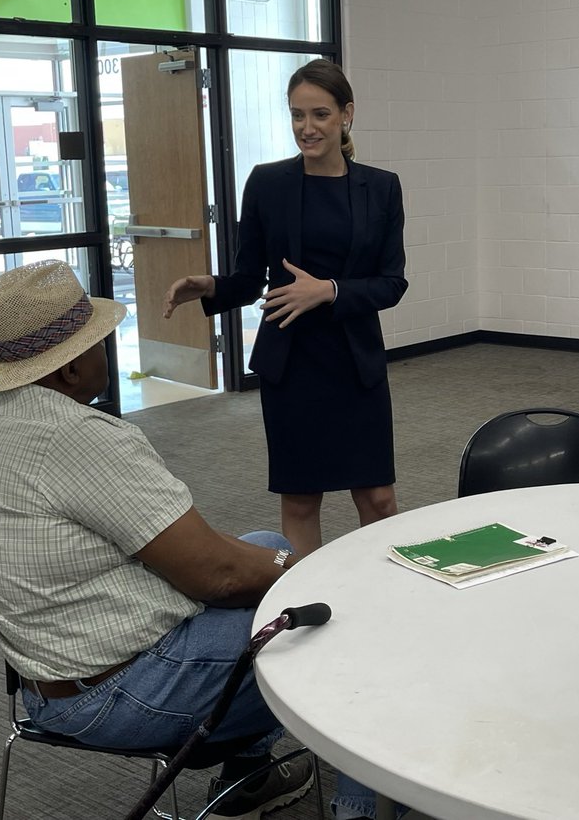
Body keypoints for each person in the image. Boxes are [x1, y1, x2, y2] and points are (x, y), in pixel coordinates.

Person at [0, 260, 314, 818]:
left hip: (46, 679)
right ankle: (370, 801)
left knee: (266, 543)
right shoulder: (78, 438)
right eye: (98, 341)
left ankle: (247, 779)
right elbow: (218, 576)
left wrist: (278, 559)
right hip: (118, 693)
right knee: (323, 623)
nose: (109, 350)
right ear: (70, 371)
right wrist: (316, 573)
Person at [163, 59, 408, 557]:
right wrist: (210, 286)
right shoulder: (267, 183)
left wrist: (329, 291)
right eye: (297, 115)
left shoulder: (380, 187)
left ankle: (388, 592)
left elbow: (391, 283)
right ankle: (305, 604)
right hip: (292, 364)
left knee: (378, 496)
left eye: (320, 114)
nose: (307, 127)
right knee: (300, 500)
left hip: (355, 362)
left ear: (347, 115)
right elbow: (249, 277)